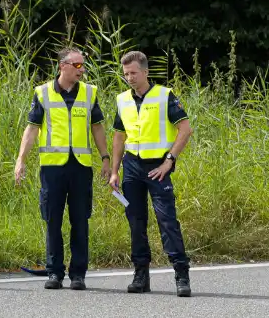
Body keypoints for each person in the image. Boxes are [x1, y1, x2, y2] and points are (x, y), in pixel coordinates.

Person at [15, 47, 111, 290]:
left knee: (80, 220)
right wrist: (21, 160)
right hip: (52, 169)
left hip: (80, 168)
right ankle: (54, 273)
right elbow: (32, 128)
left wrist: (106, 158)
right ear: (62, 66)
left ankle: (78, 274)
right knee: (52, 220)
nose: (82, 69)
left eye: (83, 65)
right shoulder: (43, 92)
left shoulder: (90, 93)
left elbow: (97, 127)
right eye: (77, 65)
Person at [108, 50, 194, 297]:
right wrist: (114, 171)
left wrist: (169, 161)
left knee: (167, 220)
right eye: (126, 74)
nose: (130, 78)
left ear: (145, 72)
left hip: (157, 167)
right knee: (135, 222)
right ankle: (141, 274)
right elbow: (118, 136)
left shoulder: (164, 95)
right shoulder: (122, 99)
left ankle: (181, 274)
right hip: (131, 167)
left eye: (134, 73)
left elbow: (185, 129)